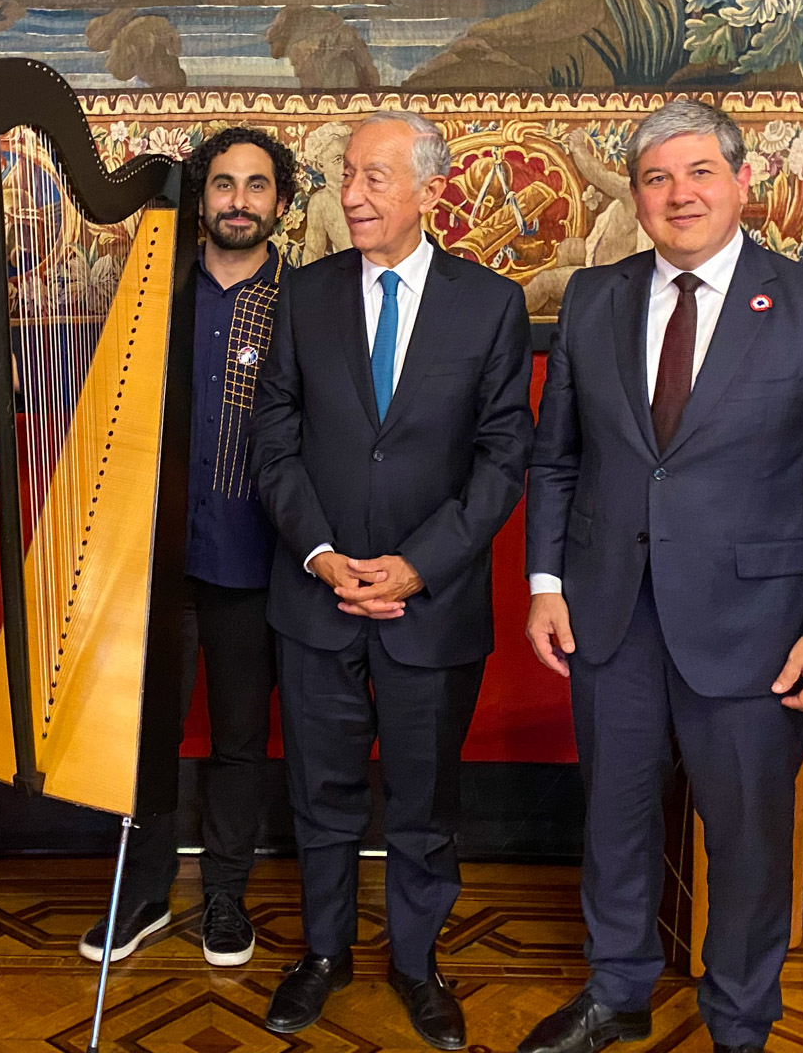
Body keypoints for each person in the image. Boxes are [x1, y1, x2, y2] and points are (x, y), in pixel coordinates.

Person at [520, 99, 803, 1053]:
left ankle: (739, 1018)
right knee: (616, 817)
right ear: (635, 196)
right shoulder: (594, 298)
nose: (678, 195)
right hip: (608, 614)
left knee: (749, 839)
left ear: (742, 181)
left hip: (760, 627)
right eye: (655, 179)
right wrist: (546, 585)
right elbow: (556, 459)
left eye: (698, 174)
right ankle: (619, 989)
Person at [251, 110, 534, 1050]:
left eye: (376, 177)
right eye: (347, 175)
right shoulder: (304, 294)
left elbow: (502, 459)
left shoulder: (490, 304)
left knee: (423, 800)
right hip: (316, 595)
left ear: (432, 190)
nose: (354, 194)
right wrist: (323, 555)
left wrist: (418, 565)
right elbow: (275, 440)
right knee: (321, 794)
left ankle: (416, 963)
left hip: (433, 604)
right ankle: (323, 954)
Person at [75, 126, 295, 968]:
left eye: (257, 185)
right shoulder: (154, 294)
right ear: (199, 198)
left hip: (256, 562)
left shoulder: (302, 301)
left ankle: (228, 902)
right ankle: (142, 899)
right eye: (224, 184)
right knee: (146, 738)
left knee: (241, 738)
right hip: (156, 565)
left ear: (279, 202)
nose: (239, 200)